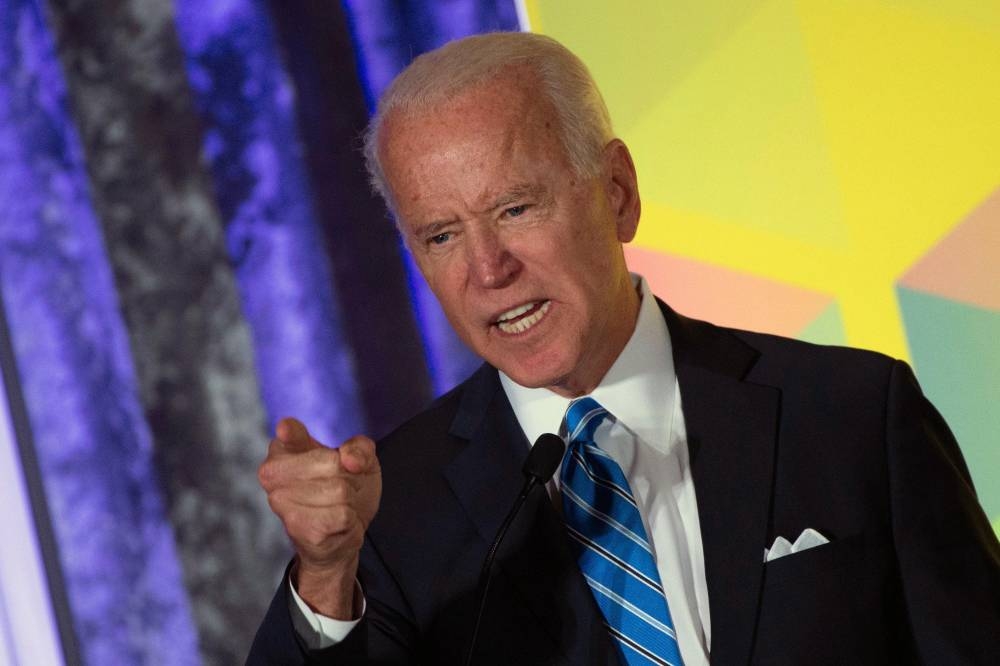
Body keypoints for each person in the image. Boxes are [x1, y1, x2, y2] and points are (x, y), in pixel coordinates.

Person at [247, 32, 1000, 665]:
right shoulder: (392, 514)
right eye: (441, 235)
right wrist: (325, 574)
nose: (487, 270)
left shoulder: (850, 415)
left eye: (515, 208)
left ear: (616, 190)